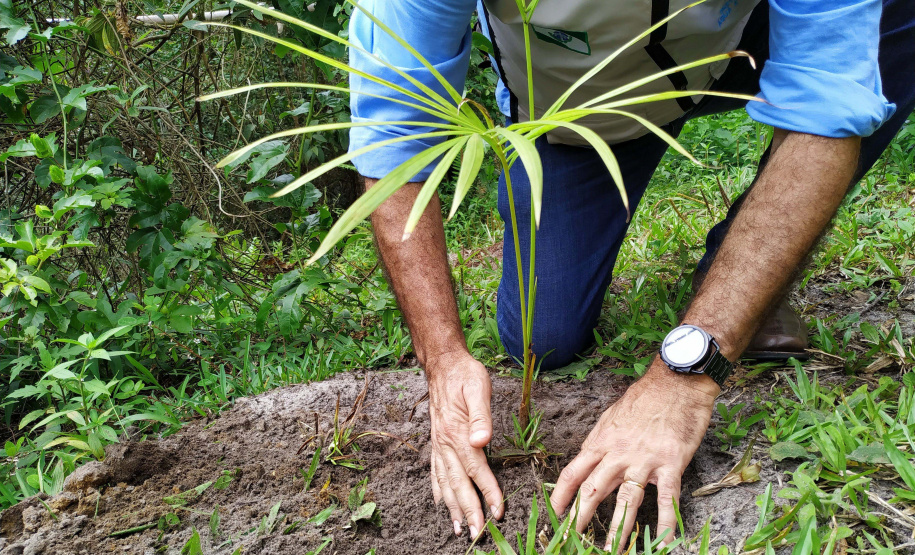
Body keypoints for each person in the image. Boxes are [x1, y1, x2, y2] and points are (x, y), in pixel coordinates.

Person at [346, 0, 914, 548]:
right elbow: (394, 128)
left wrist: (683, 377)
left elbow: (828, 101)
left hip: (730, 51)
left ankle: (734, 266)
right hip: (573, 114)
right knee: (543, 340)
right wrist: (442, 359)